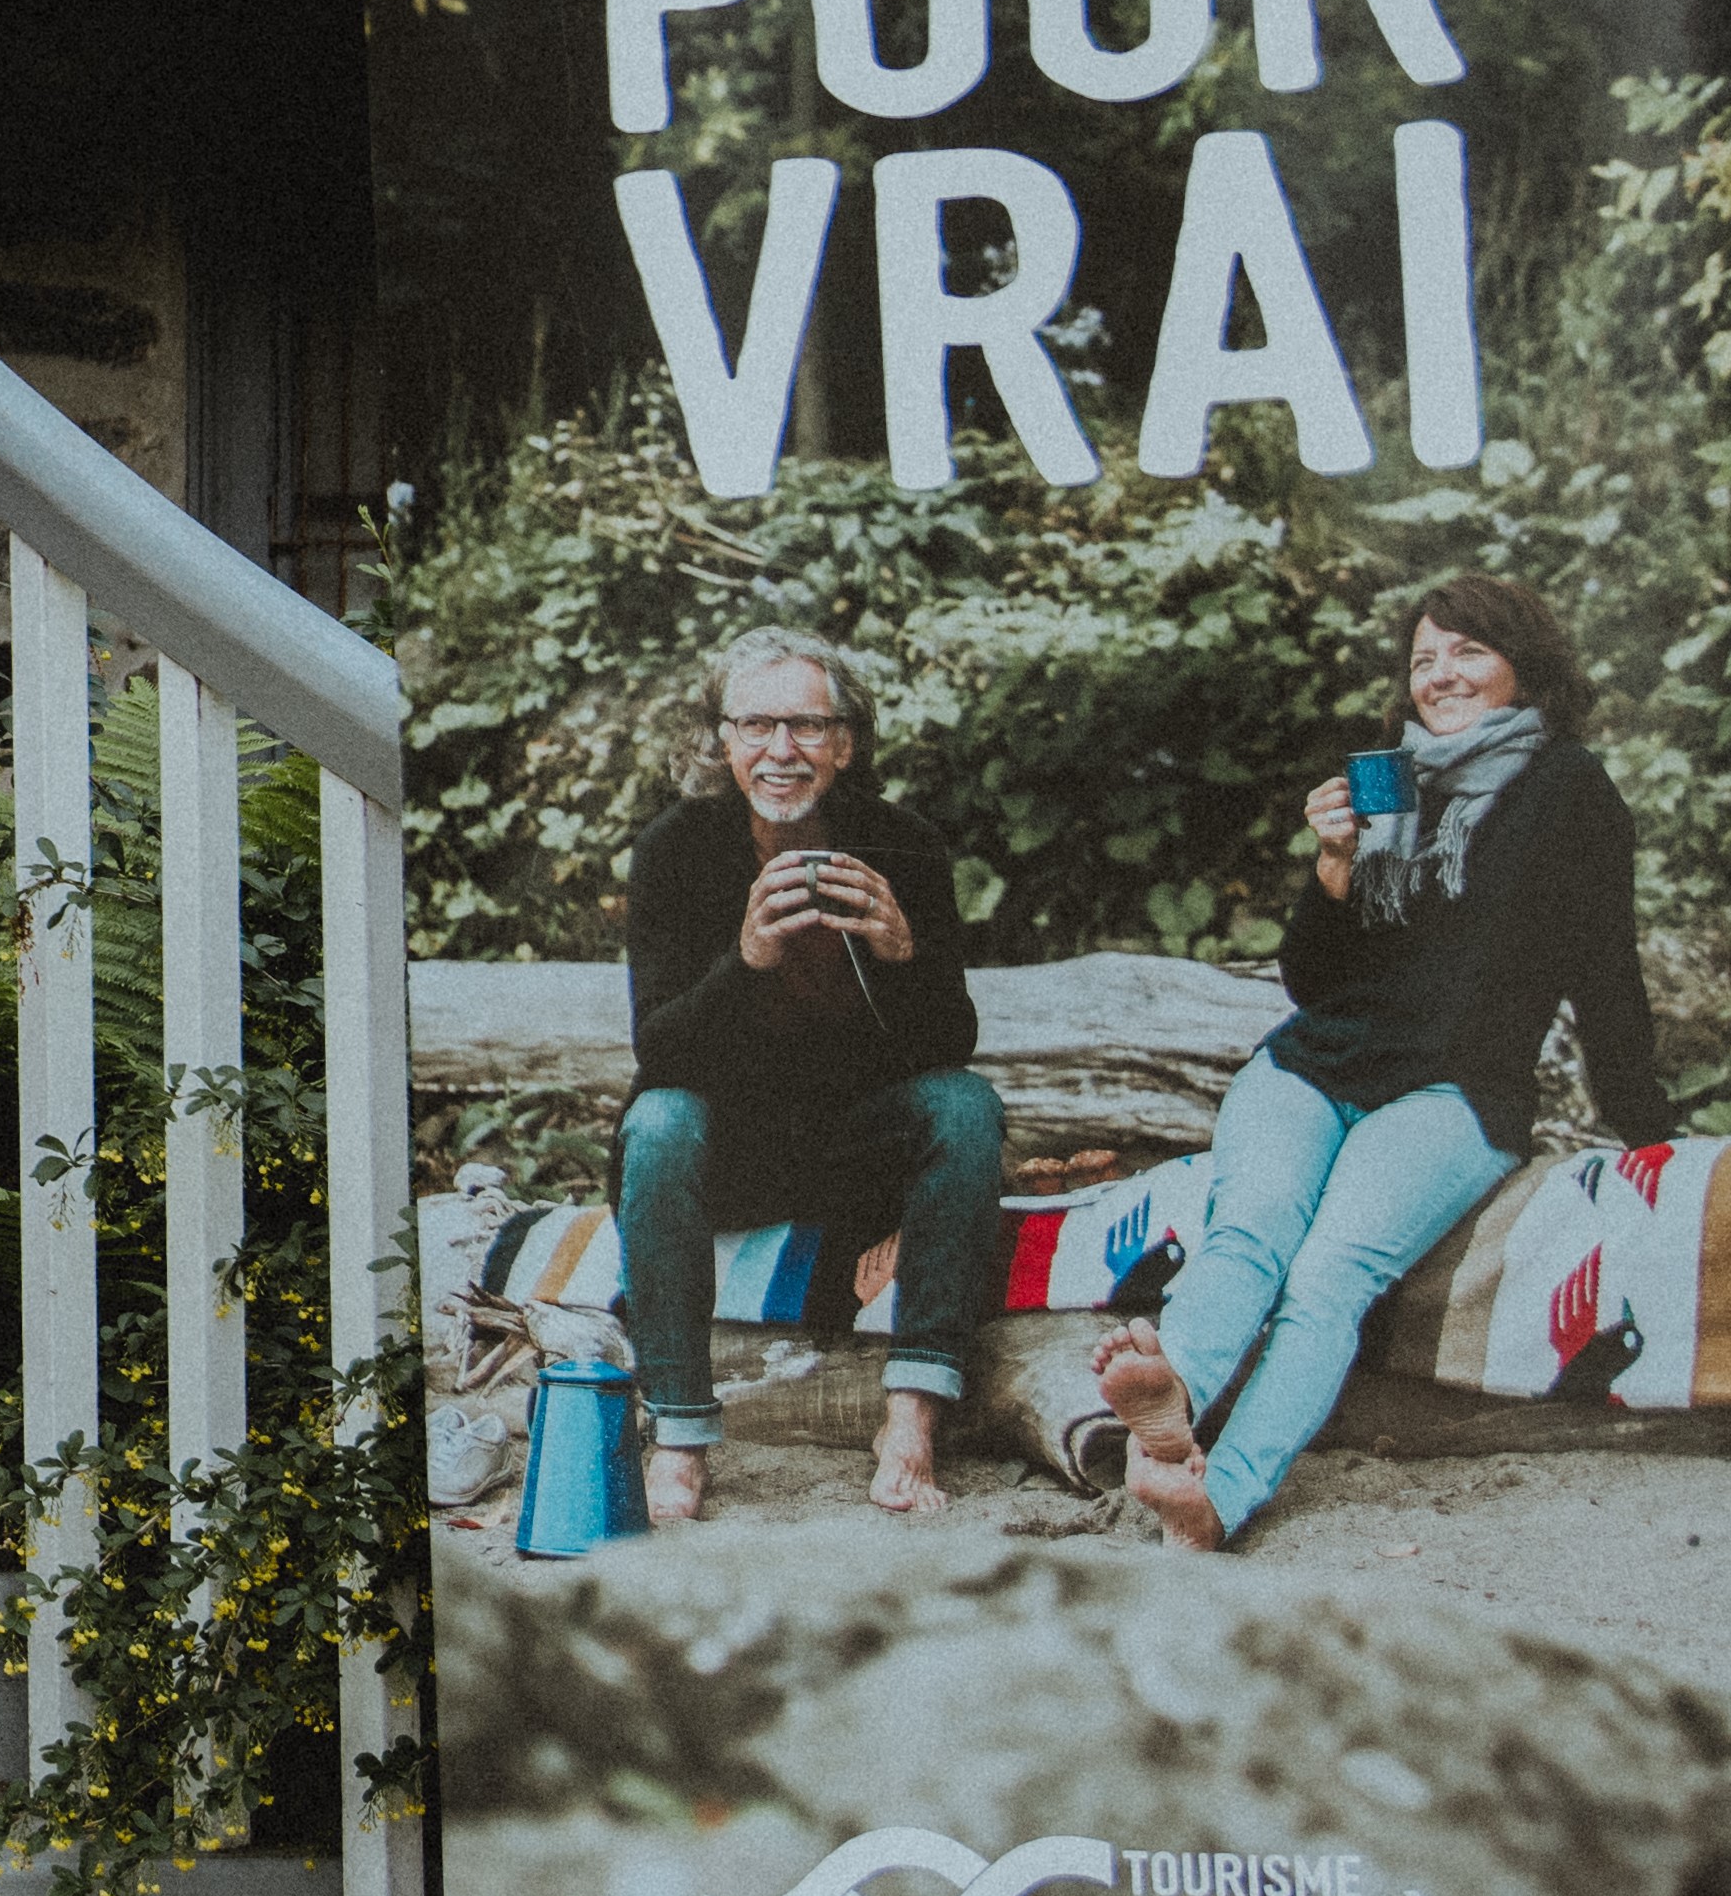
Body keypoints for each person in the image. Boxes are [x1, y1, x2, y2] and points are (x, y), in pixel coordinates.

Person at [1093, 573, 1674, 1549]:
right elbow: (1316, 981)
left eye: (1465, 651)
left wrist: (1646, 1126)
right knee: (1251, 1234)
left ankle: (1216, 1498)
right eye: (1421, 659)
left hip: (1453, 1090)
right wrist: (1328, 870)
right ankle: (1170, 1394)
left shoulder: (1568, 788)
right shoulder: (1384, 779)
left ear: (1521, 666)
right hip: (1314, 1063)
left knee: (1327, 1278)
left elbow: (1604, 967)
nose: (1439, 674)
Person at [606, 627, 1007, 1525]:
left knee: (967, 1106)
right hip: (734, 1147)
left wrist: (903, 953)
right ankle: (678, 1433)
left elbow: (952, 1044)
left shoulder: (902, 844)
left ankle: (911, 1417)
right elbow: (659, 1050)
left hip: (853, 1150)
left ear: (846, 742)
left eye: (806, 726)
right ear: (723, 740)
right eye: (756, 725)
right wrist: (745, 960)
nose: (780, 751)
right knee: (660, 1121)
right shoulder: (676, 849)